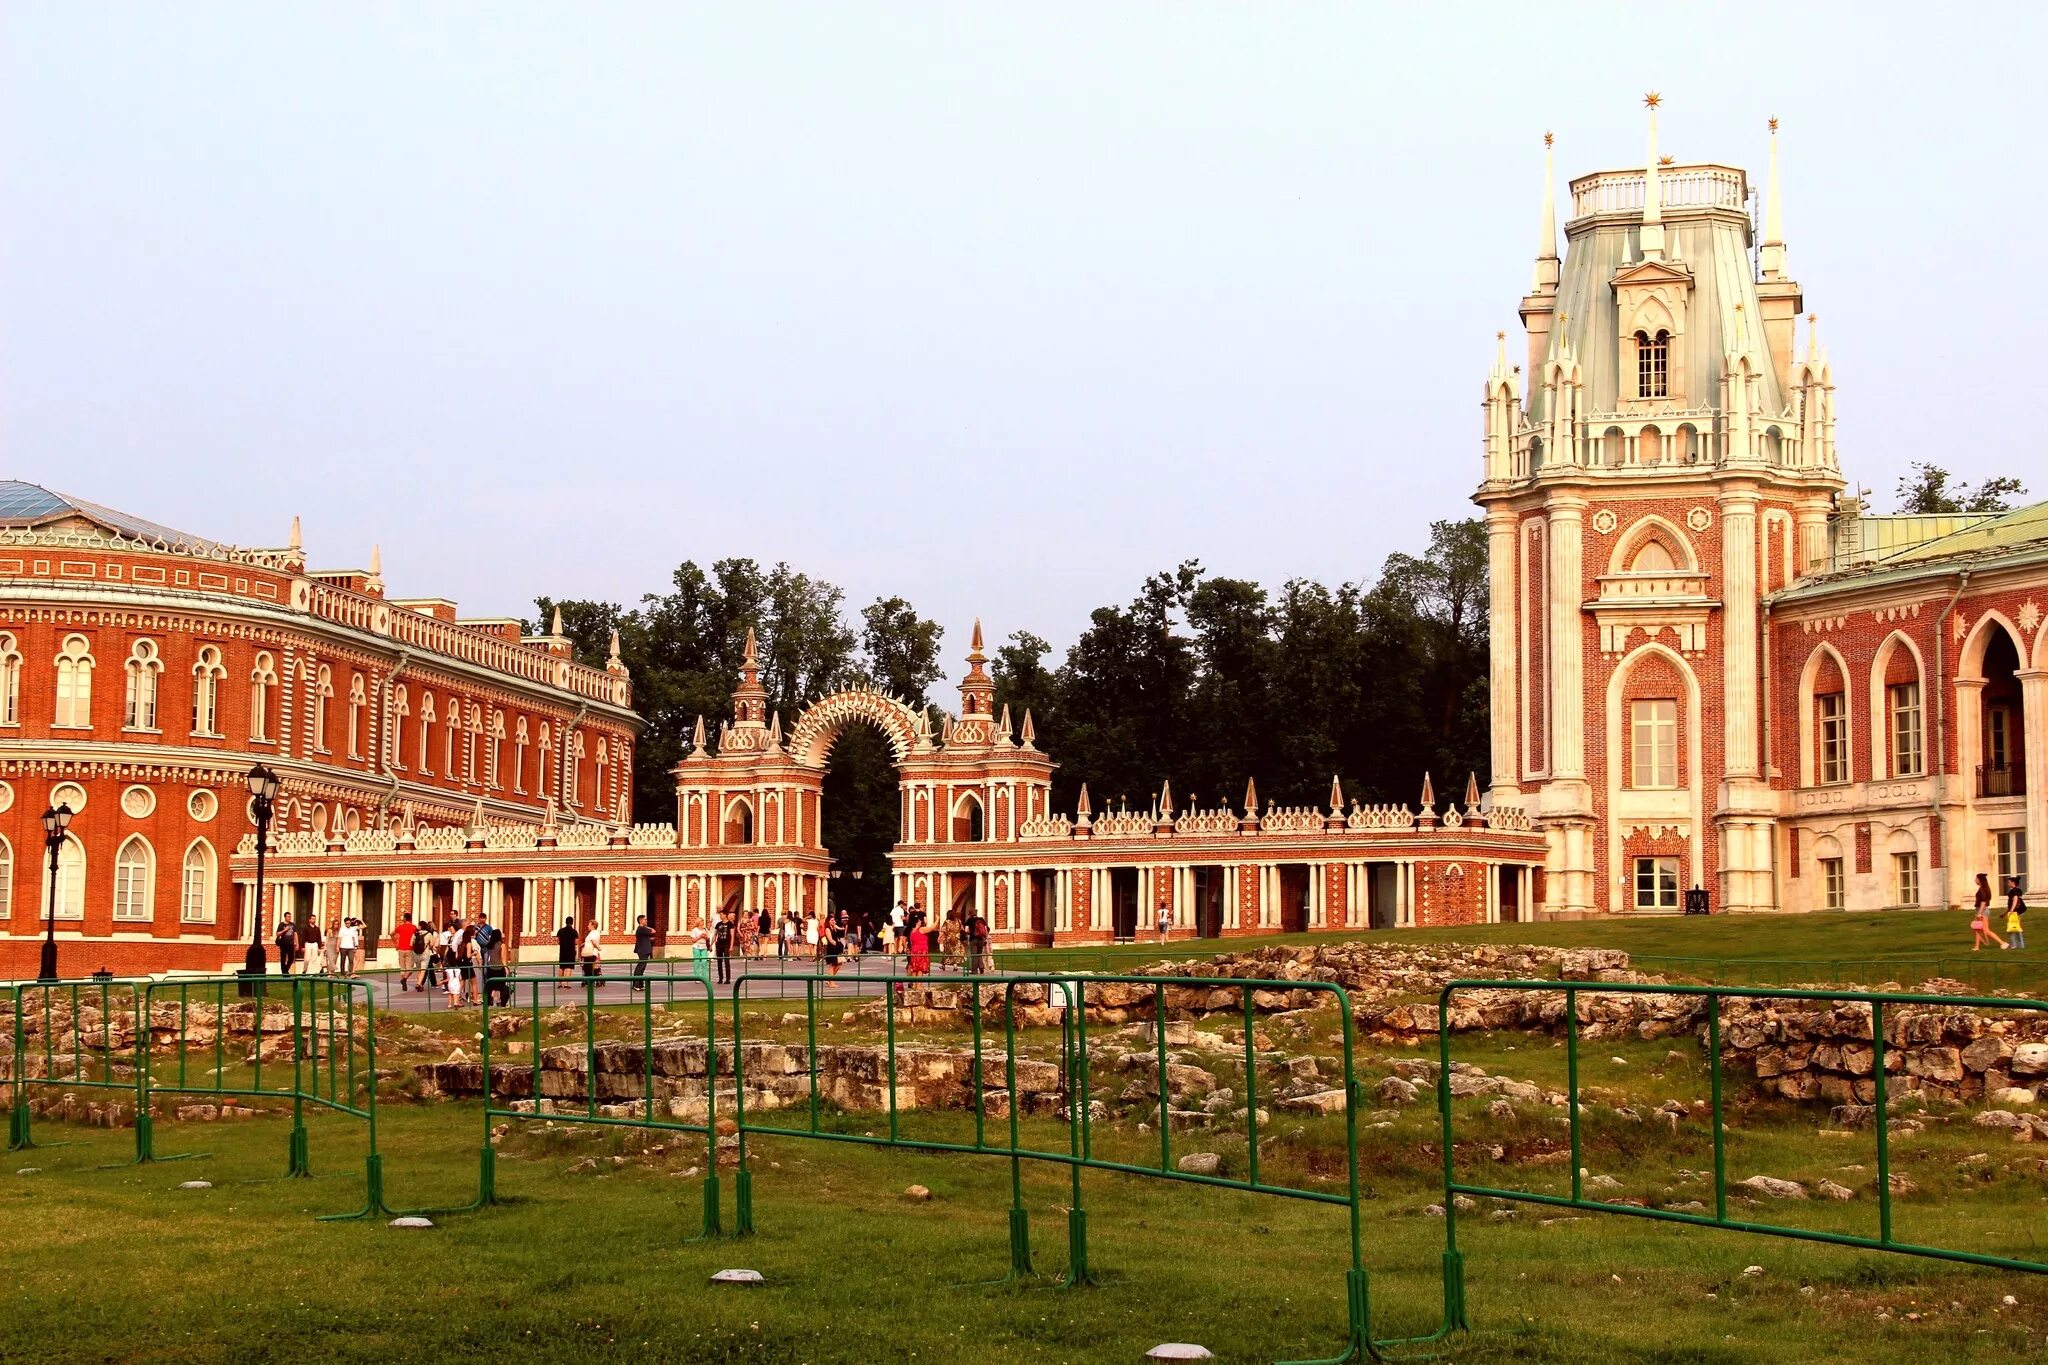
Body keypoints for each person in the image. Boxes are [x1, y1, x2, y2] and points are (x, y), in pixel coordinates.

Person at [1971, 882, 2008, 951]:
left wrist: (1980, 913)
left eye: (1976, 878)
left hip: (1982, 912)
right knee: (1977, 929)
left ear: (1980, 880)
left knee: (1986, 931)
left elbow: (1984, 901)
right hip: (1981, 911)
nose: (1975, 880)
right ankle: (1977, 947)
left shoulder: (1982, 889)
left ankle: (2003, 943)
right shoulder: (1983, 888)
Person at [394, 913, 419, 992]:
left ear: (405, 918)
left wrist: (395, 942)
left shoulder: (400, 927)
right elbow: (418, 936)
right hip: (410, 949)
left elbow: (392, 933)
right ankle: (404, 979)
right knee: (410, 969)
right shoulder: (414, 927)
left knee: (402, 968)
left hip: (401, 949)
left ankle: (403, 982)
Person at [631, 914, 655, 991]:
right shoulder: (642, 928)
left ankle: (640, 984)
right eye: (645, 919)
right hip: (643, 950)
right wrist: (647, 927)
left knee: (642, 968)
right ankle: (636, 984)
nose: (646, 921)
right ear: (641, 920)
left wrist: (649, 939)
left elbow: (644, 938)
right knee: (640, 967)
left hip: (644, 950)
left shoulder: (642, 929)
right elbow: (653, 931)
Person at [713, 911, 735, 986]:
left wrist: (731, 946)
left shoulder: (730, 924)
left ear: (725, 915)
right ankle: (720, 978)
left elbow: (732, 936)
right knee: (719, 962)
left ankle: (728, 979)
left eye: (721, 914)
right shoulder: (718, 924)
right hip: (719, 944)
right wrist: (711, 944)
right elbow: (715, 934)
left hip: (726, 944)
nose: (720, 916)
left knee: (726, 961)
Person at [555, 917, 579, 989]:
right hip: (571, 951)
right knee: (569, 967)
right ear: (572, 922)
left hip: (562, 951)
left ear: (565, 922)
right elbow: (576, 942)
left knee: (561, 967)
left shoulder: (560, 931)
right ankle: (566, 983)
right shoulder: (574, 931)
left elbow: (558, 941)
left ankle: (559, 983)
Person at [2006, 878, 2028, 951]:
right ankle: (2017, 945)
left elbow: (2015, 900)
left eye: (2009, 882)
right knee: (2015, 927)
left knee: (2014, 928)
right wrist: (2005, 912)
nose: (2008, 883)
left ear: (2013, 883)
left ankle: (2017, 945)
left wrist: (2011, 911)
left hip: (2016, 912)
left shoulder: (2014, 891)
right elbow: (2010, 903)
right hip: (2018, 911)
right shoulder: (2016, 890)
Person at [907, 913, 931, 978]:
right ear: (917, 922)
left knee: (914, 968)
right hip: (921, 951)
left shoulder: (912, 931)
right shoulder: (921, 930)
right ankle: (919, 985)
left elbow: (911, 941)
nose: (921, 922)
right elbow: (931, 928)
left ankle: (914, 984)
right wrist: (937, 920)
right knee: (920, 968)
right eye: (919, 921)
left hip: (914, 950)